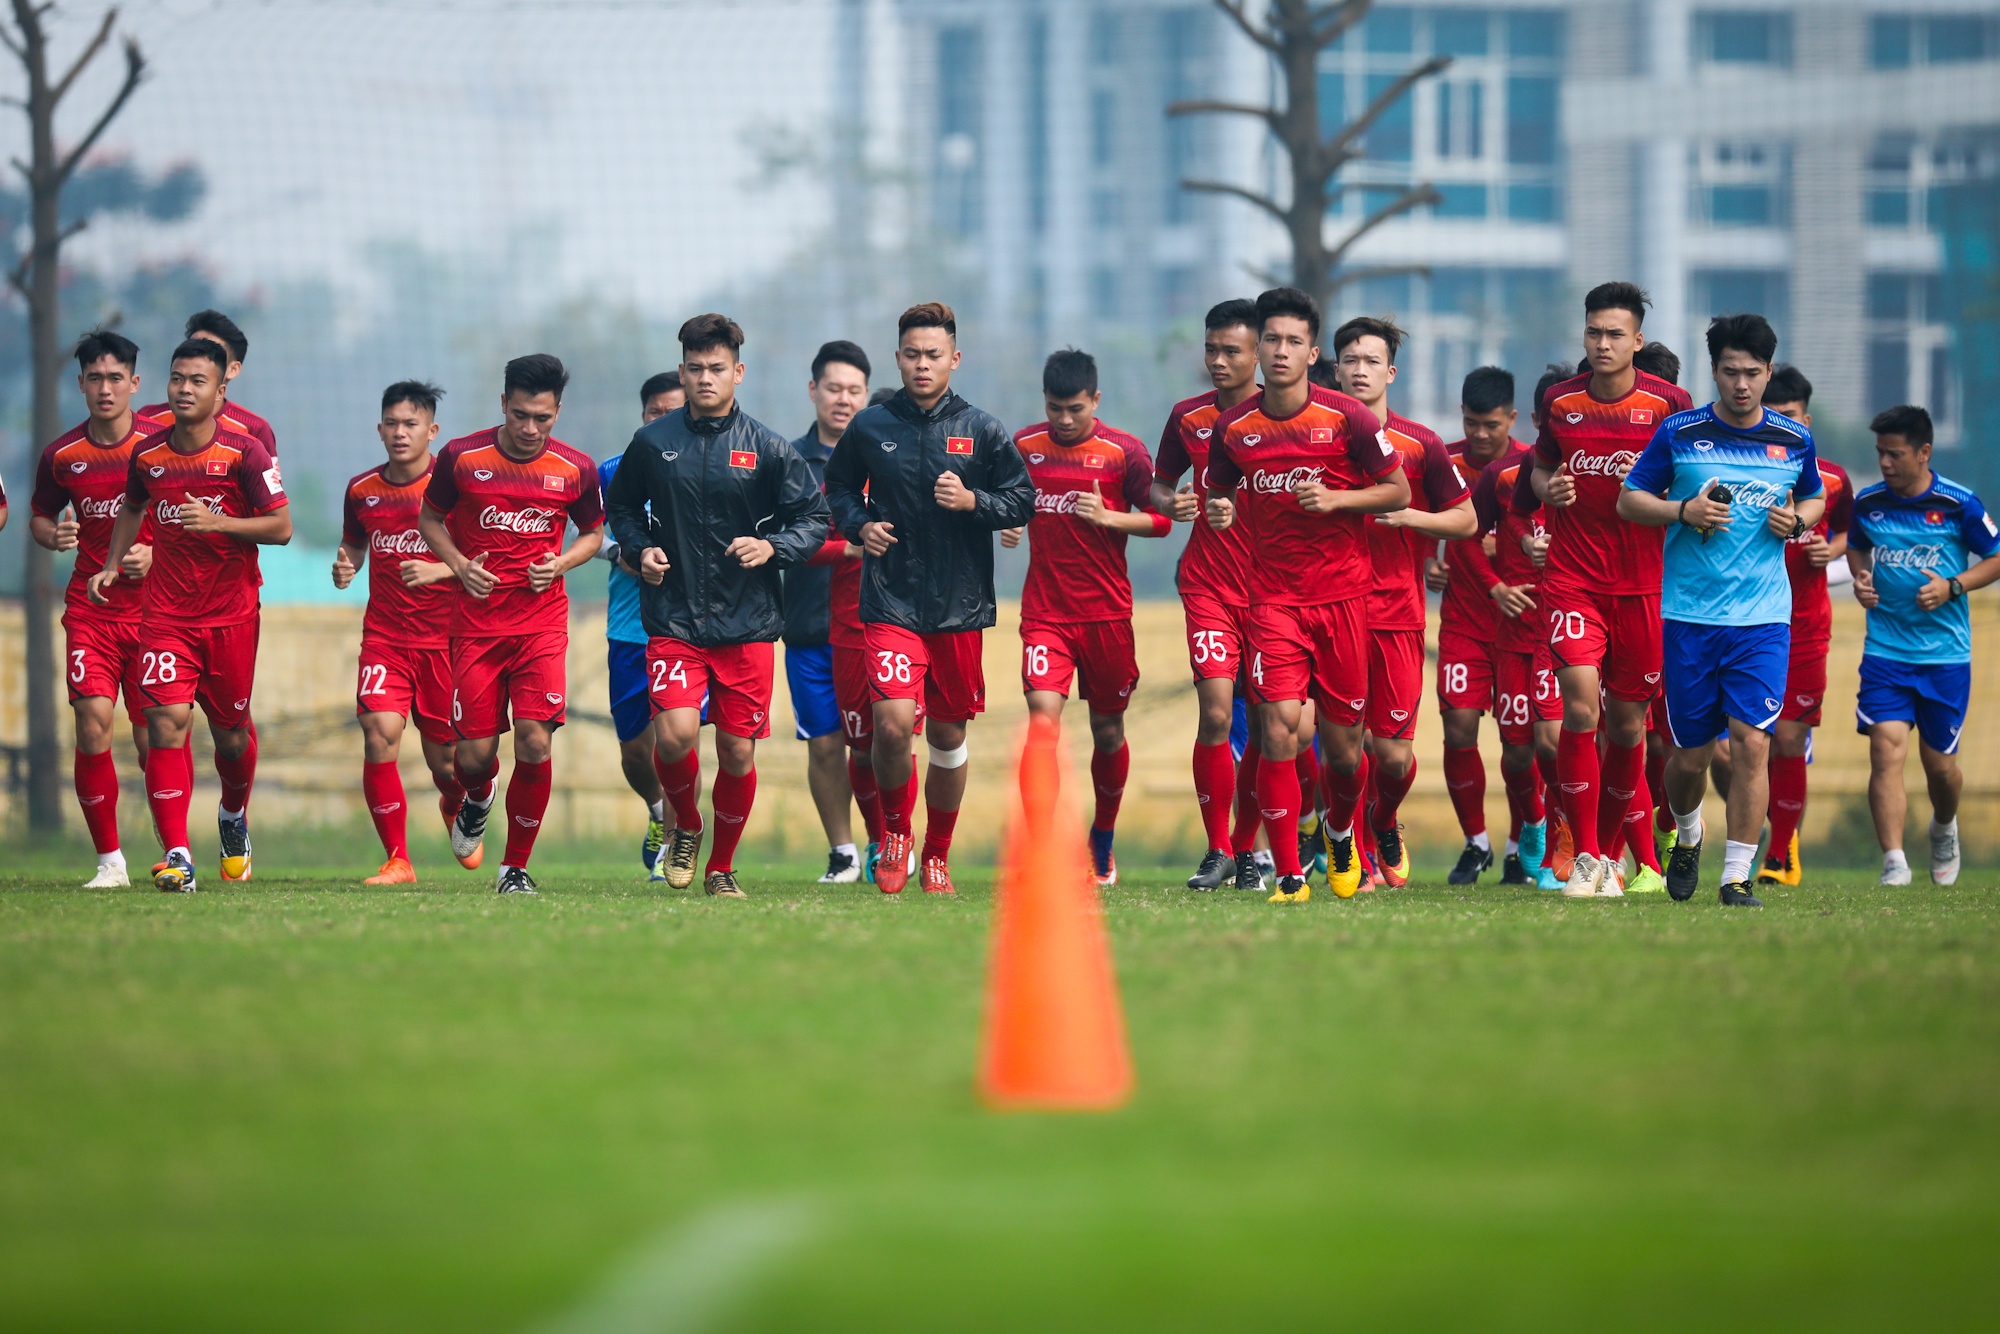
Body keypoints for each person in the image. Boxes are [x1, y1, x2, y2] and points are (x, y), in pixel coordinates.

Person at [605, 314, 830, 899]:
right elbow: (621, 509)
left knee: (735, 749)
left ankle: (721, 867)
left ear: (738, 372)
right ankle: (687, 824)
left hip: (747, 623)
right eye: (696, 368)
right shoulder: (652, 443)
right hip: (673, 618)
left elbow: (814, 519)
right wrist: (640, 548)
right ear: (682, 372)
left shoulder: (768, 448)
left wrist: (773, 547)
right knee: (675, 736)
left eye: (717, 368)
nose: (706, 378)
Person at [1205, 286, 1407, 905]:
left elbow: (1397, 491)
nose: (1281, 351)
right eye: (1271, 339)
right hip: (1271, 602)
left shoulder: (1349, 419)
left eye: (1294, 341)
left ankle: (1341, 830)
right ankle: (1291, 876)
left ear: (1312, 352)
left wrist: (1338, 499)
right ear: (1257, 348)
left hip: (1344, 600)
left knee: (1345, 753)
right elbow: (1220, 491)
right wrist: (1219, 510)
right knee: (1277, 728)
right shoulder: (1234, 428)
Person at [824, 302, 1034, 895]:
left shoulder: (983, 429)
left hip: (958, 608)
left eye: (933, 355)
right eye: (912, 354)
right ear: (897, 358)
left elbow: (1021, 499)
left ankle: (938, 853)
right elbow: (838, 486)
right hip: (889, 601)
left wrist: (974, 502)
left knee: (946, 737)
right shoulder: (870, 426)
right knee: (892, 726)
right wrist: (860, 525)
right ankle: (896, 834)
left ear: (954, 359)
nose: (922, 365)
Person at [1619, 314, 1825, 907]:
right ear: (1713, 370)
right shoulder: (1680, 432)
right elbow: (1630, 500)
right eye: (1731, 371)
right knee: (1689, 759)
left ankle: (1736, 877)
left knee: (1752, 744)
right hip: (1690, 617)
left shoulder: (1793, 439)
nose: (1741, 384)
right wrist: (1682, 511)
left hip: (1763, 619)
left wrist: (1799, 521)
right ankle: (1687, 833)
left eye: (1752, 373)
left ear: (1768, 372)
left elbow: (1813, 496)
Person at [93, 337, 292, 892]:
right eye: (177, 378)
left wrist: (218, 523)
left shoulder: (245, 452)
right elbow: (133, 506)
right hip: (165, 616)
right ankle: (178, 855)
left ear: (221, 389)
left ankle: (232, 815)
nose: (184, 389)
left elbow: (281, 527)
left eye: (197, 381)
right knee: (164, 723)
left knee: (231, 737)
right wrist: (111, 564)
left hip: (232, 616)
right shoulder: (148, 455)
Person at [1525, 282, 1693, 897]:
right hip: (1573, 580)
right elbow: (1540, 469)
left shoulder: (1670, 404)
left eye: (1615, 334)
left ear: (1637, 341)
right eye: (1594, 332)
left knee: (1627, 727)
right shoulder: (1561, 402)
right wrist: (1549, 488)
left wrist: (1673, 501)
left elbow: (1690, 480)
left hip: (1645, 587)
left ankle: (1611, 852)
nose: (1603, 343)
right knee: (1579, 708)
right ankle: (1587, 855)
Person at [418, 354, 604, 895]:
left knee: (535, 741)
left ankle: (514, 868)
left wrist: (561, 563)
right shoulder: (460, 457)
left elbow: (593, 533)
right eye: (520, 415)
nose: (529, 428)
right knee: (472, 758)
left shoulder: (576, 468)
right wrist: (459, 565)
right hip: (475, 627)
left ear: (557, 412)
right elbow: (430, 519)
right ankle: (478, 796)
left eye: (542, 418)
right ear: (503, 404)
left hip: (541, 625)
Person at [1001, 347, 1169, 887]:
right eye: (1055, 409)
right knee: (1042, 722)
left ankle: (1103, 838)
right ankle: (1043, 851)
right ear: (1044, 402)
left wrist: (1111, 518)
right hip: (1045, 613)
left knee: (1108, 730)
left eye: (1075, 408)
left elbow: (1162, 521)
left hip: (1107, 615)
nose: (1065, 419)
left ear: (1095, 400)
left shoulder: (1124, 452)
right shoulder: (1024, 447)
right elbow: (1006, 500)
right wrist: (1010, 522)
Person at [1332, 317, 1475, 888]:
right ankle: (1354, 854)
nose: (1360, 370)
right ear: (1336, 368)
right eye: (1350, 360)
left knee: (1392, 756)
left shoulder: (1421, 444)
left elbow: (1465, 520)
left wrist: (1411, 515)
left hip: (1397, 616)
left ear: (1390, 372)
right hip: (1331, 612)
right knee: (1345, 747)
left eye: (1372, 361)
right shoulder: (1317, 438)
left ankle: (1384, 819)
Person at [1698, 367, 1851, 888]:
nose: (1781, 424)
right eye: (1775, 415)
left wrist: (1832, 550)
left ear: (1805, 420)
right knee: (1724, 752)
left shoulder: (1831, 479)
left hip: (1803, 626)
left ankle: (1781, 853)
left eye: (1790, 417)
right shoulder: (1728, 465)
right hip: (1735, 620)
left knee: (1786, 738)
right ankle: (1756, 820)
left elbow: (1850, 532)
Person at [1847, 404, 2000, 887]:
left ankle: (1944, 827)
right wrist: (1861, 578)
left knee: (1941, 768)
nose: (1884, 463)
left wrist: (1953, 586)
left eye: (1894, 454)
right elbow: (1856, 546)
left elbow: (1995, 557)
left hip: (1944, 657)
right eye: (1880, 453)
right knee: (1885, 750)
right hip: (1885, 652)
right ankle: (1894, 861)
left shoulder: (1959, 504)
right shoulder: (1869, 502)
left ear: (1924, 452)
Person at [27, 329, 155, 887]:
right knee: (92, 723)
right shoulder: (62, 456)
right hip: (92, 609)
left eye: (115, 378)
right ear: (80, 383)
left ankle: (174, 846)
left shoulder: (162, 448)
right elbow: (39, 515)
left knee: (155, 737)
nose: (106, 389)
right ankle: (110, 862)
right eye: (95, 378)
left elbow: (190, 521)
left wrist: (156, 552)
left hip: (157, 614)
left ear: (135, 382)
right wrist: (52, 536)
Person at [1152, 298, 1267, 893]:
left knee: (1272, 728)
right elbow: (1158, 485)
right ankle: (1218, 848)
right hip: (1209, 587)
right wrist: (1172, 504)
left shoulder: (1285, 419)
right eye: (1211, 350)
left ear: (1259, 353)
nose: (1218, 361)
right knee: (1217, 712)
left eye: (1231, 351)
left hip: (1274, 594)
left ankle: (1249, 849)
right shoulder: (1187, 417)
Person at [332, 381, 463, 885]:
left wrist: (439, 570)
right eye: (392, 423)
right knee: (379, 733)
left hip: (445, 642)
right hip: (385, 639)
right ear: (379, 429)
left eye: (411, 424)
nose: (400, 433)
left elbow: (484, 558)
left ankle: (455, 804)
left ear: (432, 430)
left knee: (447, 762)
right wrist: (347, 565)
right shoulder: (361, 490)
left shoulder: (454, 490)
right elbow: (354, 543)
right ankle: (398, 859)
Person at [1431, 366, 1541, 885]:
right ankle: (1476, 843)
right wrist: (1426, 562)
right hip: (1463, 621)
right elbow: (1420, 518)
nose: (1479, 434)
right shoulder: (1444, 461)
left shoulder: (1530, 466)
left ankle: (1523, 842)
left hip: (1520, 624)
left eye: (1490, 425)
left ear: (1512, 419)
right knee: (1458, 729)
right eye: (1471, 423)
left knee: (1521, 747)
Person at [784, 341, 874, 884]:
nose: (844, 400)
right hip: (808, 627)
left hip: (873, 628)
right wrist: (846, 548)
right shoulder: (789, 462)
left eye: (854, 390)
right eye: (834, 388)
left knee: (875, 745)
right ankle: (843, 853)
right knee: (824, 745)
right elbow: (780, 540)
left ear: (866, 394)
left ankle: (887, 841)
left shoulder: (883, 457)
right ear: (813, 390)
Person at [596, 370, 685, 881]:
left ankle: (675, 844)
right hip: (629, 628)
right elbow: (584, 533)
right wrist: (619, 552)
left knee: (677, 740)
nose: (664, 419)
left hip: (685, 627)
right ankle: (656, 810)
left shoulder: (705, 464)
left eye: (674, 411)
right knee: (635, 750)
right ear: (643, 415)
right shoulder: (613, 470)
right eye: (656, 412)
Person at [137, 310, 277, 455]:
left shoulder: (254, 429)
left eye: (212, 351)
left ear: (233, 369)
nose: (198, 357)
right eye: (194, 347)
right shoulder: (148, 418)